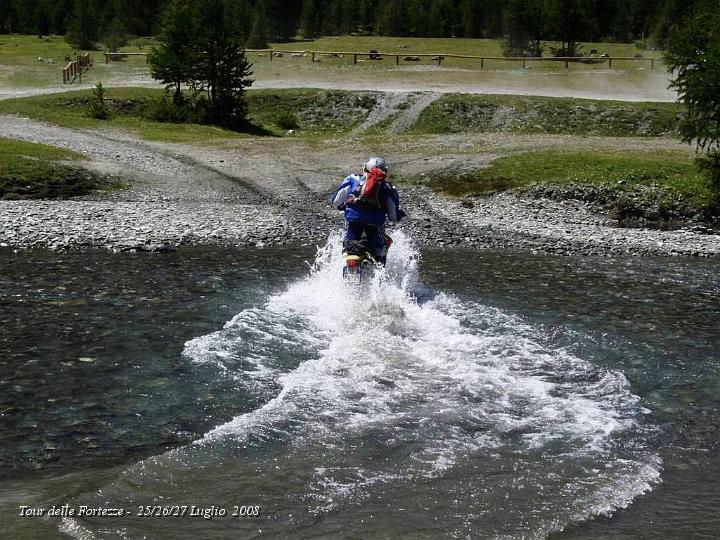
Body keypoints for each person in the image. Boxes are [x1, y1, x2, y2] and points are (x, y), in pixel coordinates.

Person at [331, 156, 404, 264]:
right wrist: (400, 215)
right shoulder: (389, 188)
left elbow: (335, 202)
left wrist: (345, 204)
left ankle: (346, 267)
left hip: (353, 221)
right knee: (380, 253)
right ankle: (380, 274)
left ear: (364, 168)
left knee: (348, 248)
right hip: (375, 225)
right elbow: (393, 217)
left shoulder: (352, 179)